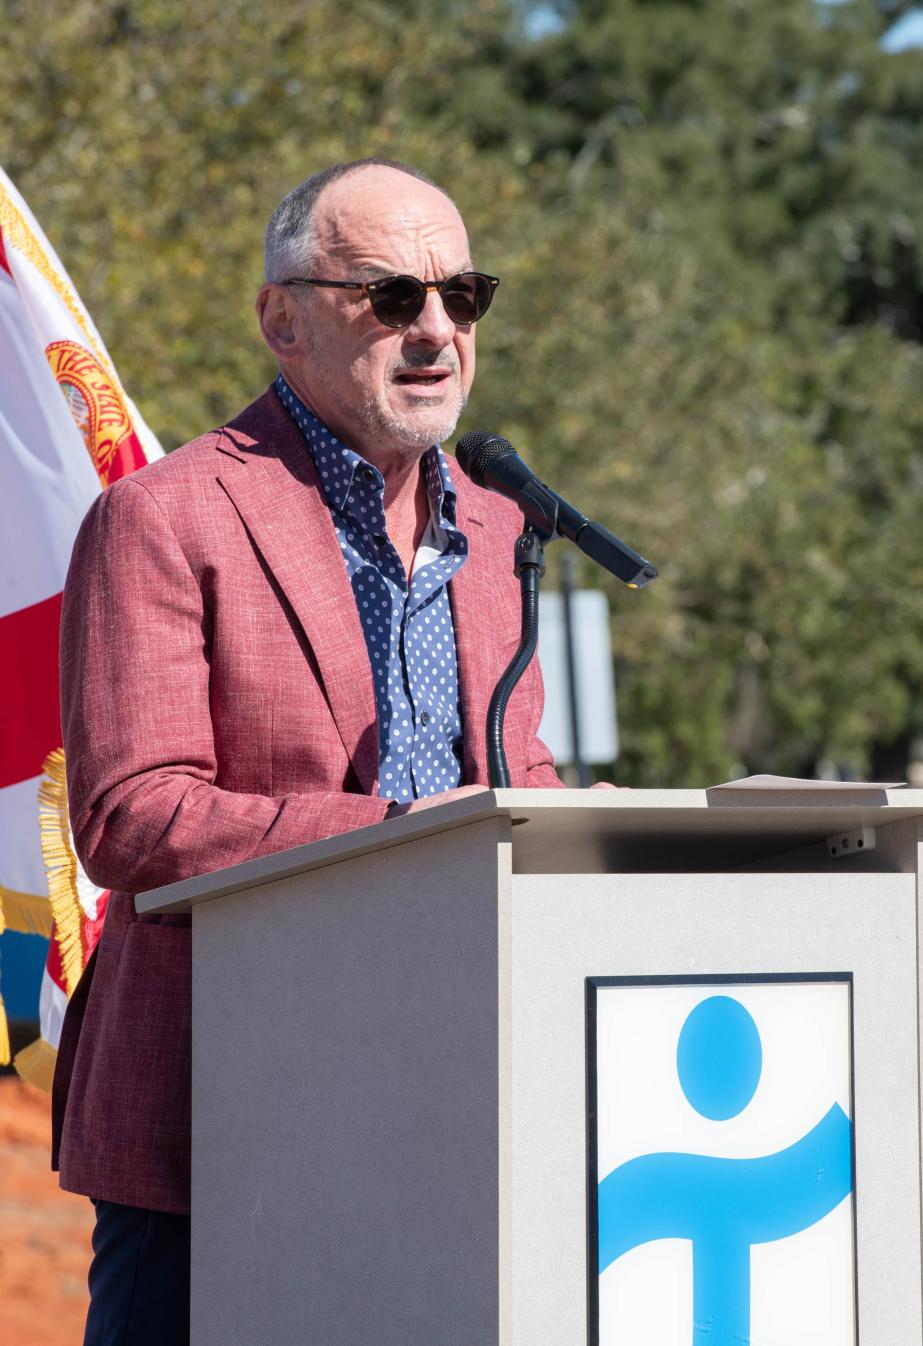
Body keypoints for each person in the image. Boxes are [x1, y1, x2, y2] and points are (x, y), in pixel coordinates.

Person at [53, 158, 562, 1346]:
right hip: (223, 1104)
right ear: (282, 318)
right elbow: (134, 816)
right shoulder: (168, 515)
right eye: (391, 297)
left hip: (457, 1094)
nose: (436, 329)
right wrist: (407, 839)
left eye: (462, 296)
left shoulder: (498, 529)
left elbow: (517, 783)